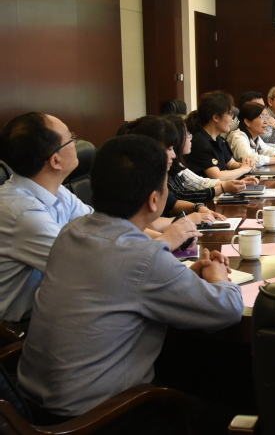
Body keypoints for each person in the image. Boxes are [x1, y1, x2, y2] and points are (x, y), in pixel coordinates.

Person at [17, 134, 244, 432]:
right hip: (98, 417)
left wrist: (184, 274)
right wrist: (218, 277)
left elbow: (120, 280)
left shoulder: (72, 231)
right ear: (154, 200)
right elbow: (228, 310)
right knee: (230, 406)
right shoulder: (143, 256)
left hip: (32, 405)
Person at [0, 113, 92, 323]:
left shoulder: (56, 190)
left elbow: (101, 226)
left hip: (57, 301)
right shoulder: (24, 214)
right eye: (71, 138)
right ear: (55, 160)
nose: (76, 142)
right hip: (21, 326)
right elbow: (85, 267)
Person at [118, 116, 226, 227]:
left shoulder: (155, 175)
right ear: (152, 148)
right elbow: (144, 225)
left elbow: (172, 203)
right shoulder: (131, 180)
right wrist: (185, 220)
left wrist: (197, 207)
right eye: (169, 149)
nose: (174, 155)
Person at [162, 114, 250, 202]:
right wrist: (224, 187)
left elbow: (199, 182)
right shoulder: (200, 142)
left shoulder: (219, 139)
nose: (190, 137)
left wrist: (236, 183)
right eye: (186, 134)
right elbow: (180, 196)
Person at [184, 91, 256, 181]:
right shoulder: (200, 142)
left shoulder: (219, 139)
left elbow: (231, 164)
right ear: (216, 117)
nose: (232, 119)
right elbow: (217, 176)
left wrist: (245, 164)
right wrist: (244, 169)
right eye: (229, 114)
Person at [227, 102, 275, 166]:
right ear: (247, 122)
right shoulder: (238, 136)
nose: (266, 122)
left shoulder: (255, 137)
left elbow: (267, 150)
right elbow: (250, 159)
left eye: (267, 117)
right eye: (261, 117)